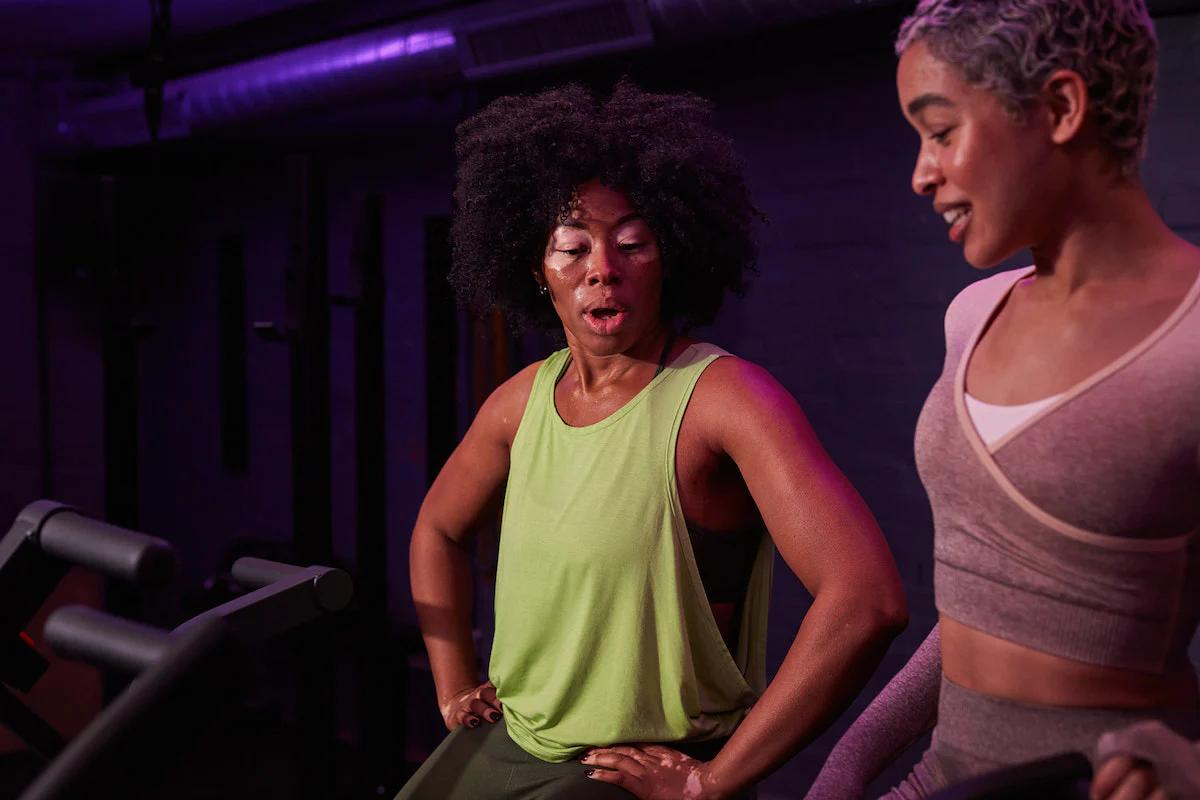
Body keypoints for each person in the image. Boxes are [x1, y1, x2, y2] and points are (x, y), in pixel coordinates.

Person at [399, 80, 908, 800]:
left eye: (633, 242)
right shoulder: (519, 405)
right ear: (536, 272)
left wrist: (715, 780)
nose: (602, 268)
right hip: (512, 742)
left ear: (671, 255)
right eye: (572, 246)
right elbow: (437, 531)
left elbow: (868, 601)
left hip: (632, 775)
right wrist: (454, 684)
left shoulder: (726, 400)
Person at [806, 2, 1200, 798]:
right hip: (937, 781)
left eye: (942, 130)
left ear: (1058, 109)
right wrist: (849, 765)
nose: (921, 171)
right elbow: (979, 608)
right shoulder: (971, 316)